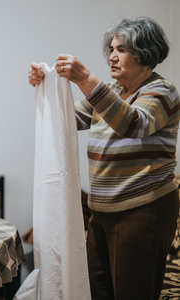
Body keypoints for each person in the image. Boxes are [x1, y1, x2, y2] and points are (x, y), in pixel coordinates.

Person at [28, 17, 179, 300]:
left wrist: (86, 80)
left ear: (145, 53)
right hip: (103, 212)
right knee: (97, 291)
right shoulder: (109, 92)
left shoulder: (162, 91)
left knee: (132, 293)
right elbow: (64, 122)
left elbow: (134, 124)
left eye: (121, 49)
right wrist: (44, 87)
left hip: (143, 210)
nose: (111, 56)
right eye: (111, 48)